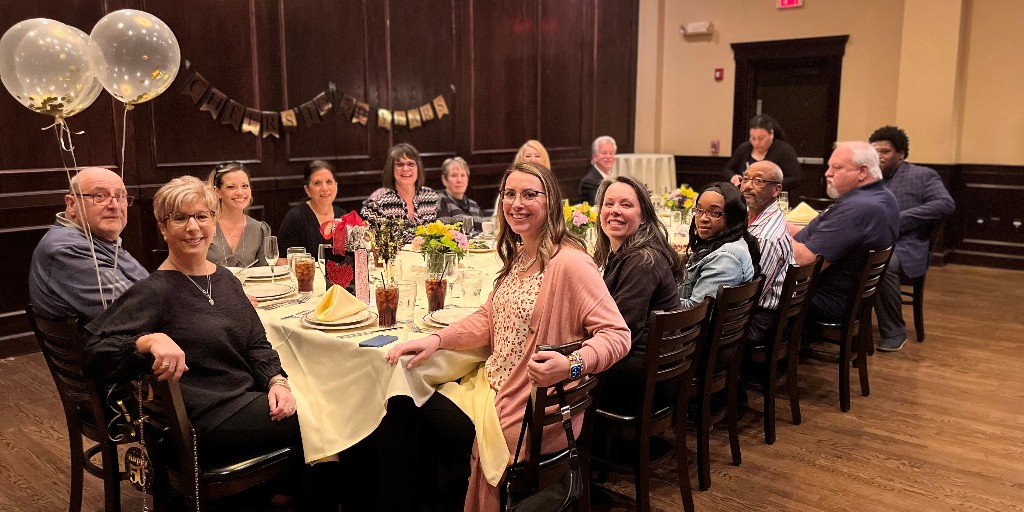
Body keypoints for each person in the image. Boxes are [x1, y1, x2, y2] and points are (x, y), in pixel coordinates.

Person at [385, 161, 630, 511]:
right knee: (406, 390)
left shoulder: (570, 263)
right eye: (510, 194)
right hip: (494, 386)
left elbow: (617, 335)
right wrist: (438, 340)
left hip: (528, 409)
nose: (517, 203)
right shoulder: (521, 254)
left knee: (409, 406)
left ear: (550, 201)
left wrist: (572, 365)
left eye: (529, 194)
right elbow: (489, 317)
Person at [84, 176, 307, 506]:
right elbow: (94, 353)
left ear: (214, 221)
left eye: (202, 216)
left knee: (323, 414)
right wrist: (146, 341)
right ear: (163, 228)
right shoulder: (155, 290)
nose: (193, 227)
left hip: (245, 400)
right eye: (180, 218)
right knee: (324, 423)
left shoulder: (225, 279)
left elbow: (256, 344)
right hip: (205, 420)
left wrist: (277, 381)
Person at [592, 175, 685, 412]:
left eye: (626, 205)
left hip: (642, 382)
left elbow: (622, 330)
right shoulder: (627, 253)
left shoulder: (642, 261)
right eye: (609, 203)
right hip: (645, 369)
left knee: (551, 379)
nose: (614, 210)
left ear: (643, 217)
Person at [789, 141, 899, 323]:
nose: (828, 173)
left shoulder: (857, 208)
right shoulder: (882, 195)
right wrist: (777, 224)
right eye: (829, 166)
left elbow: (805, 262)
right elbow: (817, 234)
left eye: (837, 168)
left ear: (862, 172)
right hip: (847, 296)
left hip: (825, 299)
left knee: (749, 292)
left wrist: (771, 235)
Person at [868, 126, 955, 352]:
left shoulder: (922, 175)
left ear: (901, 154)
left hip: (905, 245)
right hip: (869, 240)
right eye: (875, 151)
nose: (879, 156)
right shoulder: (869, 177)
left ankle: (894, 331)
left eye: (885, 151)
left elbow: (945, 204)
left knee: (880, 263)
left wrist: (901, 219)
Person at [29, 167, 149, 321]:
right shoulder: (68, 250)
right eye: (100, 196)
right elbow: (138, 310)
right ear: (72, 204)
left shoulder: (98, 239)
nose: (115, 206)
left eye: (120, 197)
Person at [680, 182, 761, 308]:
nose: (703, 218)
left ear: (732, 217)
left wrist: (656, 300)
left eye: (715, 213)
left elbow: (696, 310)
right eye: (699, 210)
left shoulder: (726, 259)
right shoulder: (728, 242)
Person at [740, 161, 794, 342]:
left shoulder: (766, 237)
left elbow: (752, 293)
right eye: (745, 179)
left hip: (760, 318)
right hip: (757, 309)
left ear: (776, 190)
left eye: (758, 181)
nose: (748, 186)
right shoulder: (756, 216)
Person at [361, 143, 439, 242]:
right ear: (391, 170)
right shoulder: (377, 200)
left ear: (418, 168)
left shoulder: (430, 196)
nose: (405, 169)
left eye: (411, 164)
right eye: (399, 165)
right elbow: (364, 240)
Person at [205, 162, 271, 267]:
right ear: (217, 192)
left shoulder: (260, 230)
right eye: (231, 187)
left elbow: (265, 271)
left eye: (245, 186)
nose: (240, 192)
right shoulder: (203, 226)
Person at [278, 160, 342, 256]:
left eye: (329, 182)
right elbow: (282, 260)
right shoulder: (295, 217)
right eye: (317, 183)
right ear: (307, 190)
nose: (325, 188)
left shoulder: (343, 216)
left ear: (336, 186)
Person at [724, 114, 802, 190]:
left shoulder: (784, 150)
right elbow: (727, 170)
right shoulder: (744, 148)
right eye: (753, 138)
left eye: (761, 138)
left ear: (771, 134)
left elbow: (796, 178)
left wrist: (769, 184)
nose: (756, 142)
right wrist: (734, 177)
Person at [435, 157, 483, 236]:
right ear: (444, 180)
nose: (459, 180)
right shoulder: (440, 201)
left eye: (463, 175)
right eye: (454, 175)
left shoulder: (474, 205)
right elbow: (445, 234)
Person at [578, 135, 616, 205]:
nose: (608, 157)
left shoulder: (611, 176)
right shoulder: (589, 182)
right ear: (594, 156)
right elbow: (597, 206)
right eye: (604, 153)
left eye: (611, 153)